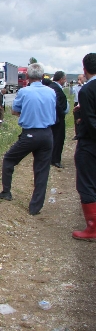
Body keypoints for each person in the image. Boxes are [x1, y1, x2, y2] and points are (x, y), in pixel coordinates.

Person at [0, 63, 56, 216]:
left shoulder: (24, 91)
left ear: (28, 77)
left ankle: (6, 191)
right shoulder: (51, 92)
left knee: (9, 159)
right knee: (42, 170)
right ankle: (35, 207)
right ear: (42, 77)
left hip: (30, 133)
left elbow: (15, 111)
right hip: (47, 134)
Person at [72, 53, 96, 241]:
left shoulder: (87, 91)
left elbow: (91, 121)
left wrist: (81, 121)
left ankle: (92, 228)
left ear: (84, 69)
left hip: (90, 144)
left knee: (87, 183)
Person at [49, 71, 68, 169]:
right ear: (61, 79)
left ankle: (53, 158)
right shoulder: (54, 88)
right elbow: (56, 103)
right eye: (65, 79)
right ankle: (55, 160)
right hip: (57, 119)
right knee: (58, 138)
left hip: (56, 118)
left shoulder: (53, 87)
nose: (65, 81)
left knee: (56, 138)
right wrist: (62, 112)